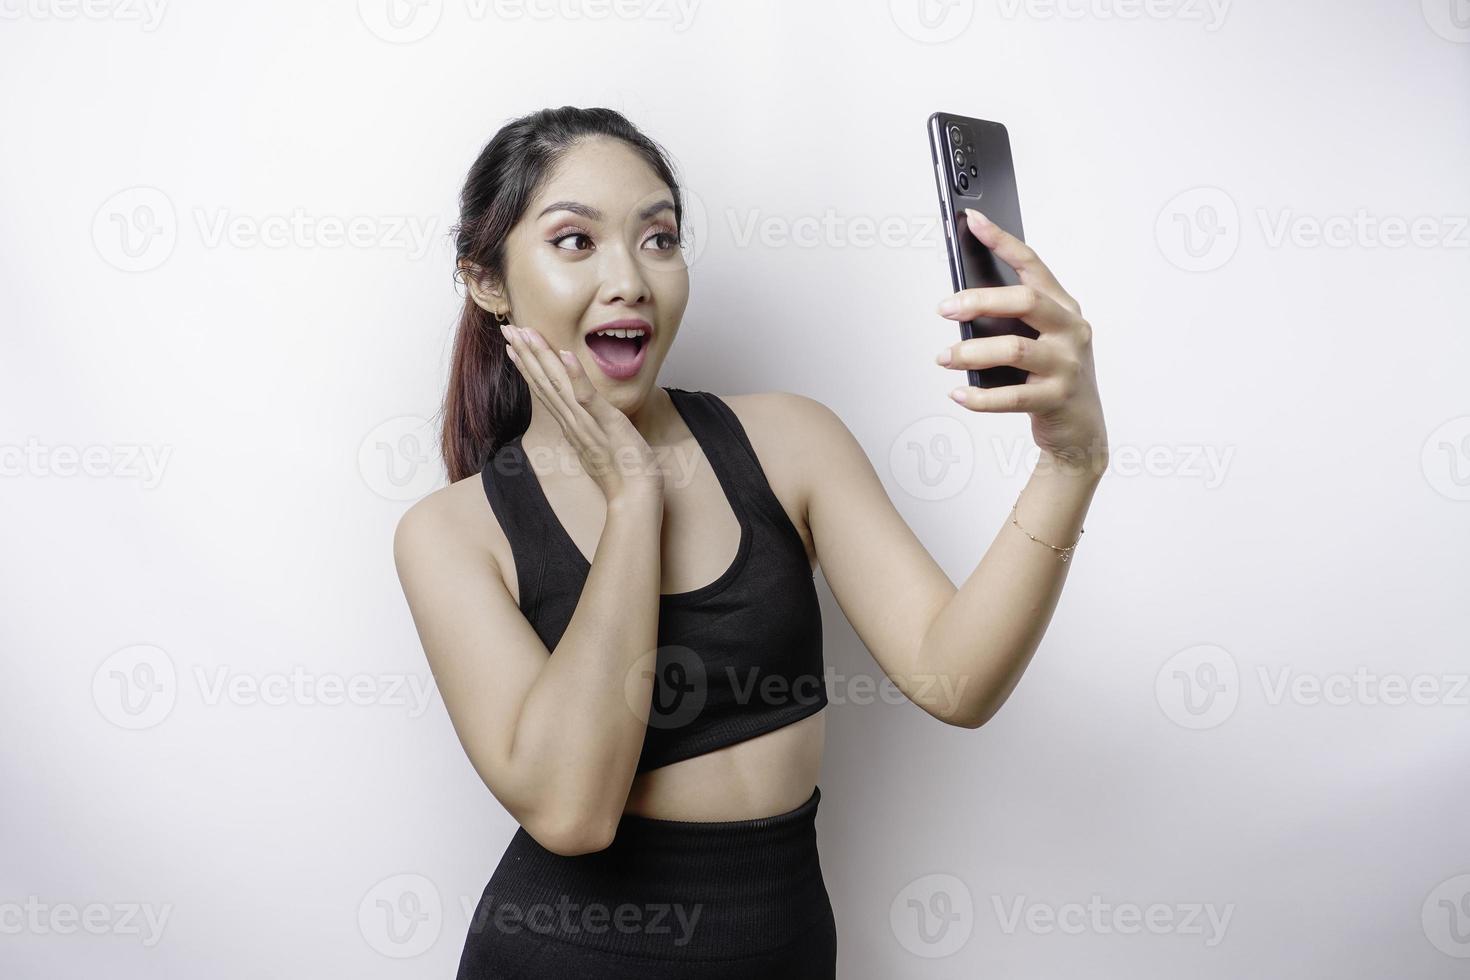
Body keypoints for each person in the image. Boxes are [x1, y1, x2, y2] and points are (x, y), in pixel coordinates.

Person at [393, 105, 1108, 978]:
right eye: (575, 242)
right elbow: (573, 814)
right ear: (487, 281)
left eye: (658, 238)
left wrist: (1070, 463)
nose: (630, 279)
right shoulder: (453, 534)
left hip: (785, 948)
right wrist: (633, 506)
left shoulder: (791, 440)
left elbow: (954, 679)